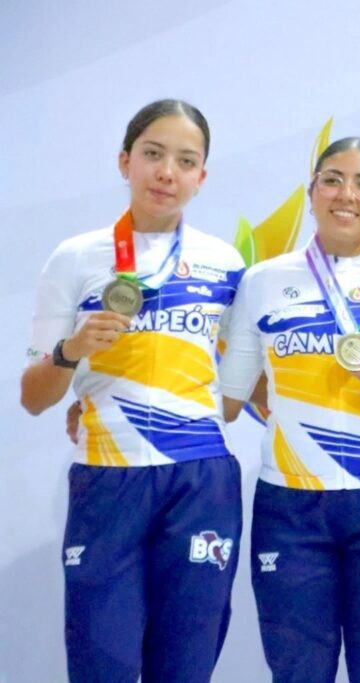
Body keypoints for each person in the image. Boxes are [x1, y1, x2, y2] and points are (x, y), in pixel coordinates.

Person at [20, 99, 245, 682]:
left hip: (200, 480)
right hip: (108, 476)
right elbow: (33, 397)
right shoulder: (74, 258)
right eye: (153, 154)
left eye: (185, 161)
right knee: (104, 664)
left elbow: (251, 381)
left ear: (201, 176)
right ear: (125, 161)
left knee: (186, 667)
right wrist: (72, 350)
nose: (167, 172)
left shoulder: (225, 264)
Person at [217, 137, 360, 682]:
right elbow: (227, 397)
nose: (347, 194)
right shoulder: (263, 281)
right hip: (291, 507)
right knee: (298, 673)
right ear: (312, 193)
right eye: (332, 180)